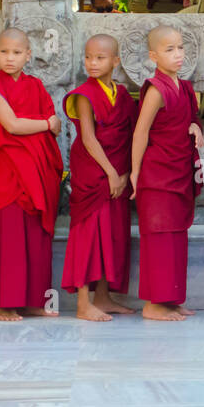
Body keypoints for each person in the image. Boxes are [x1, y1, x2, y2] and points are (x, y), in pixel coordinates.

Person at [0, 27, 65, 322]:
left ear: (28, 55)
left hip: (39, 172)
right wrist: (44, 123)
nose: (10, 58)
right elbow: (13, 126)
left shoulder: (36, 85)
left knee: (35, 239)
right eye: (4, 52)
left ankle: (31, 300)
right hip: (11, 173)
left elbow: (56, 122)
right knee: (10, 237)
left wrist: (47, 123)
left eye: (17, 52)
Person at [130, 25, 203, 322]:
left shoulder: (184, 87)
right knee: (158, 238)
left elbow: (191, 118)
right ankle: (153, 304)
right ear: (153, 55)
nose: (178, 54)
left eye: (180, 47)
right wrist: (135, 172)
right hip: (157, 174)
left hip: (179, 172)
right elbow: (141, 133)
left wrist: (195, 127)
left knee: (175, 238)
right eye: (169, 49)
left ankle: (171, 299)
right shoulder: (156, 90)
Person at [61, 34, 137, 322]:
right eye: (88, 57)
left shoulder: (123, 97)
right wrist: (111, 174)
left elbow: (131, 136)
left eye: (100, 57)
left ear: (115, 61)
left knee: (112, 234)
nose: (92, 63)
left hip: (119, 171)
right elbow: (89, 139)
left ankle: (103, 297)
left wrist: (126, 173)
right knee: (88, 235)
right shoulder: (84, 94)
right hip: (94, 172)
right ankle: (83, 302)